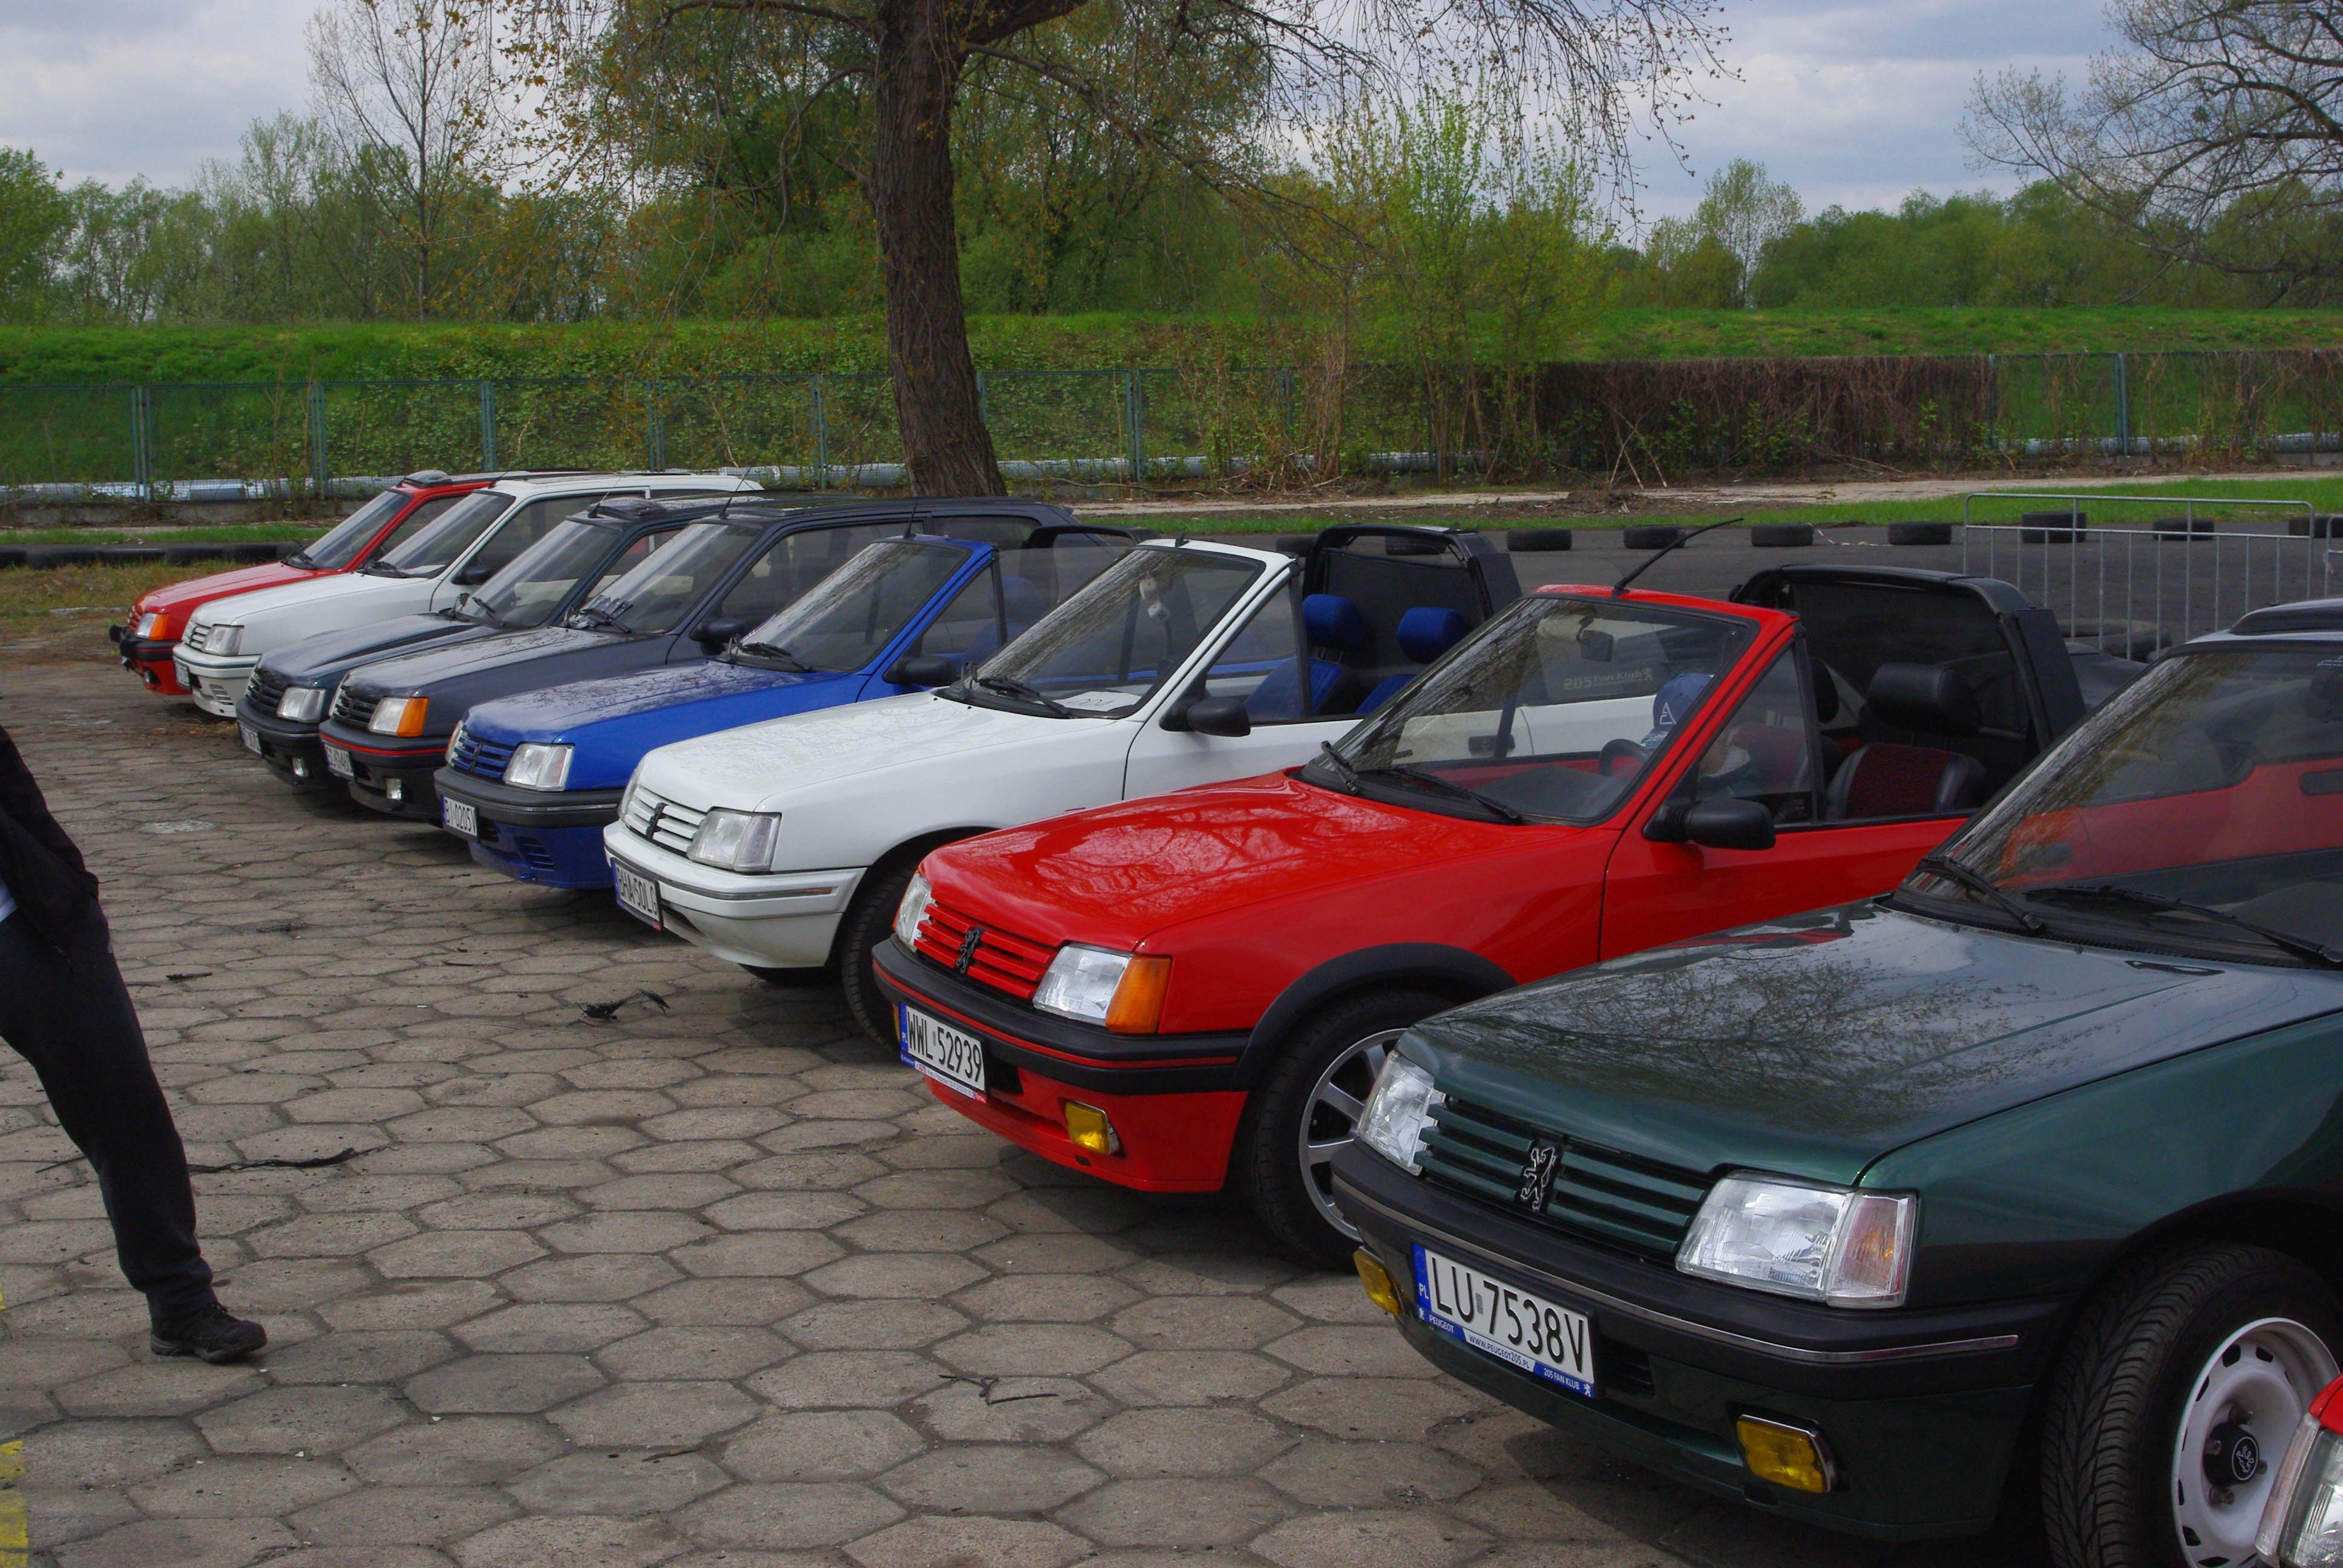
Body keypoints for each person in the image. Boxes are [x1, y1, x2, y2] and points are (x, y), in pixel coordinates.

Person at [0, 721, 264, 1364]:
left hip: (27, 929)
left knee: (125, 1113)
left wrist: (75, 894)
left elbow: (16, 792)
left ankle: (182, 1303)